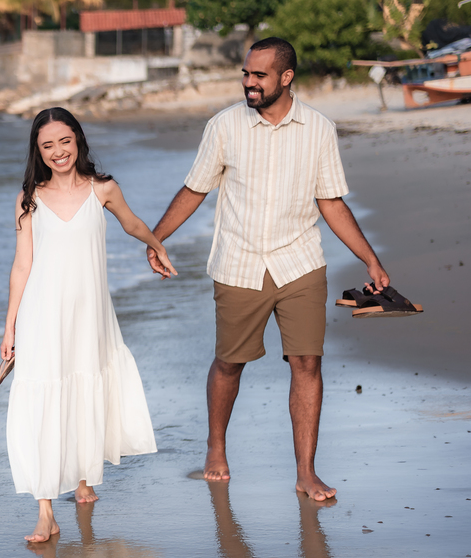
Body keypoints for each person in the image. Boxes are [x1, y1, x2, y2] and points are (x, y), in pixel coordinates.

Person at [144, 37, 389, 502]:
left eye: (259, 75)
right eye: (245, 74)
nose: (249, 82)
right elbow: (194, 189)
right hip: (238, 264)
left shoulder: (318, 129)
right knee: (230, 362)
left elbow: (331, 201)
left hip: (300, 262)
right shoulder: (223, 127)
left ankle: (306, 471)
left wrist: (370, 259)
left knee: (307, 362)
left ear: (286, 77)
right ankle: (216, 447)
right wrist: (157, 240)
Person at [2, 107, 176, 543]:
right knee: (43, 395)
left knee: (83, 387)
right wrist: (10, 328)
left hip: (90, 313)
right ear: (37, 152)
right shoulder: (29, 197)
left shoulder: (103, 189)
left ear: (77, 140)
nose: (58, 152)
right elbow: (22, 265)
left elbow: (132, 222)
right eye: (47, 146)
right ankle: (45, 512)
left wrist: (156, 245)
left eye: (64, 141)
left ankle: (83, 477)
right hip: (42, 314)